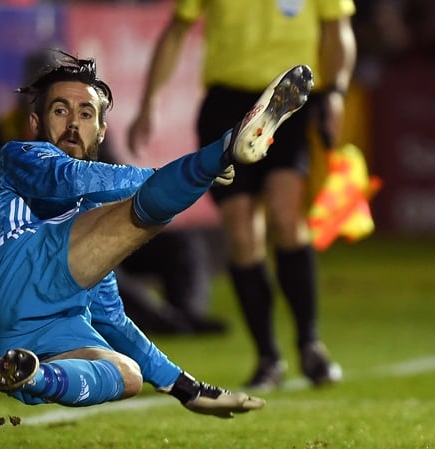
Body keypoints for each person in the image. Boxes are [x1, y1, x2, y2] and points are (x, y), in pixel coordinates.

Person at [0, 50, 312, 416]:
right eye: (60, 111)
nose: (72, 124)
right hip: (14, 279)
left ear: (101, 130)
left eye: (85, 114)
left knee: (126, 374)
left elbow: (113, 321)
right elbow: (69, 179)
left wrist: (187, 389)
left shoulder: (89, 226)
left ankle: (24, 375)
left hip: (41, 335)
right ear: (35, 121)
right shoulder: (18, 156)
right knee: (142, 213)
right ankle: (225, 147)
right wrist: (197, 170)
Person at [128, 1, 357, 391]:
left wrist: (335, 91)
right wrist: (150, 101)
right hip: (227, 106)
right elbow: (177, 30)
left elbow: (338, 29)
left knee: (286, 217)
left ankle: (309, 343)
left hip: (292, 101)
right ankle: (268, 357)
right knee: (241, 232)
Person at [0, 48, 227, 336]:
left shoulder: (86, 125)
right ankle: (163, 323)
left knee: (180, 243)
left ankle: (187, 314)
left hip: (98, 224)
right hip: (47, 248)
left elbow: (114, 178)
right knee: (100, 271)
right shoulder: (6, 136)